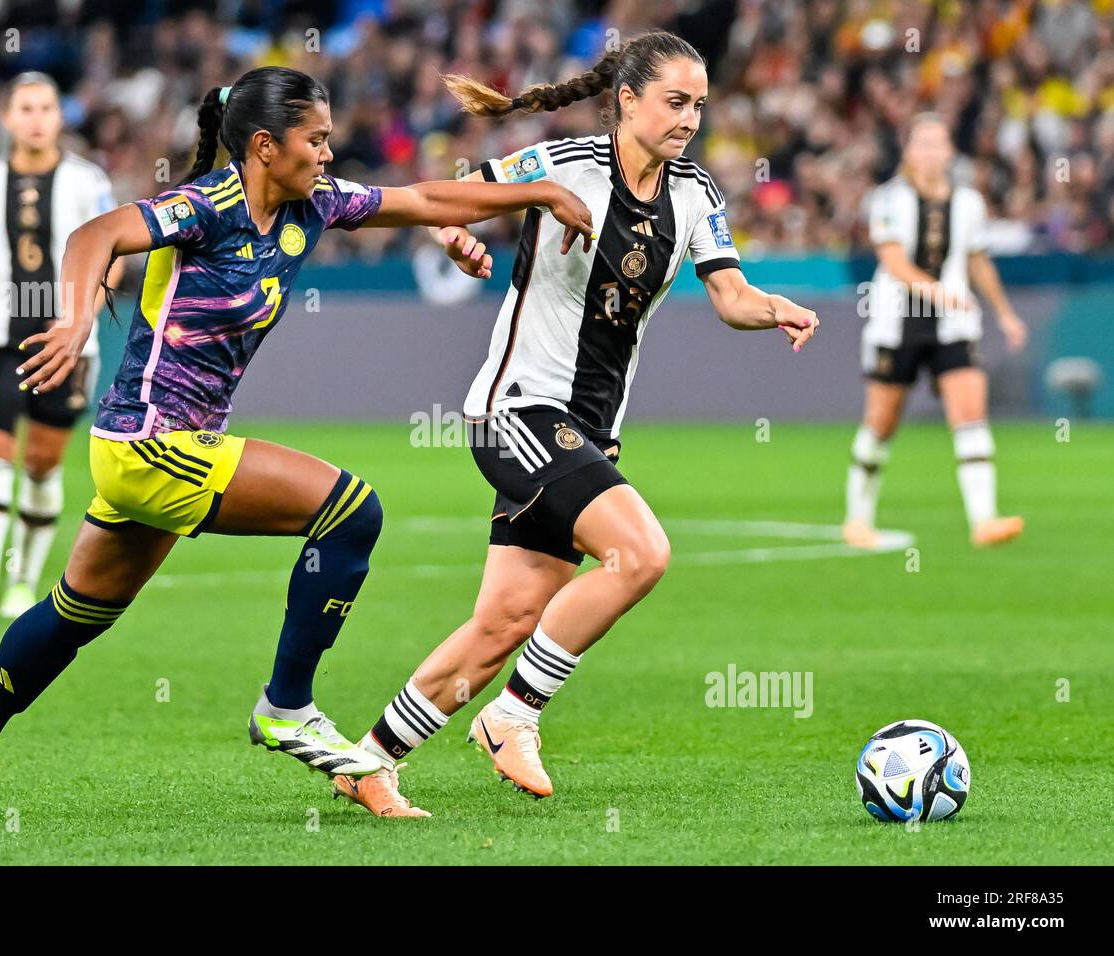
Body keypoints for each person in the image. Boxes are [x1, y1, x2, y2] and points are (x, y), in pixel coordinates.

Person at [0, 66, 595, 825]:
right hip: (152, 441)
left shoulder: (315, 204)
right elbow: (96, 233)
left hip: (154, 449)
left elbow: (427, 198)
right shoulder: (208, 205)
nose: (329, 154)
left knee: (77, 614)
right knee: (352, 511)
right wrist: (75, 323)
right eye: (317, 140)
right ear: (265, 146)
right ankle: (287, 705)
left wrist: (538, 192)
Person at [331, 31, 820, 818]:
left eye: (699, 104)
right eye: (674, 101)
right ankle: (513, 716)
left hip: (591, 430)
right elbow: (455, 193)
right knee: (642, 553)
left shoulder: (697, 194)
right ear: (626, 100)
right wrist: (450, 234)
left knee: (505, 622)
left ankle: (368, 760)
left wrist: (773, 308)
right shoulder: (564, 165)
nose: (690, 118)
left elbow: (729, 294)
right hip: (519, 410)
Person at [0, 72, 123, 619]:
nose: (36, 118)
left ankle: (21, 581)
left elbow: (118, 246)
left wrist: (100, 289)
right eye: (25, 109)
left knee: (39, 463)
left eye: (45, 108)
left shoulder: (87, 181)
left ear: (60, 118)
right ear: (8, 119)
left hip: (65, 342)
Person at [843, 113, 1026, 550]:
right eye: (922, 143)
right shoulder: (887, 199)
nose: (930, 152)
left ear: (949, 151)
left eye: (938, 143)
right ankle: (857, 519)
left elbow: (978, 260)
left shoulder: (969, 202)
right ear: (910, 150)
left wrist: (1004, 313)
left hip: (955, 326)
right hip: (896, 325)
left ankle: (984, 521)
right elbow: (893, 261)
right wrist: (940, 293)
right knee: (882, 423)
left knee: (970, 416)